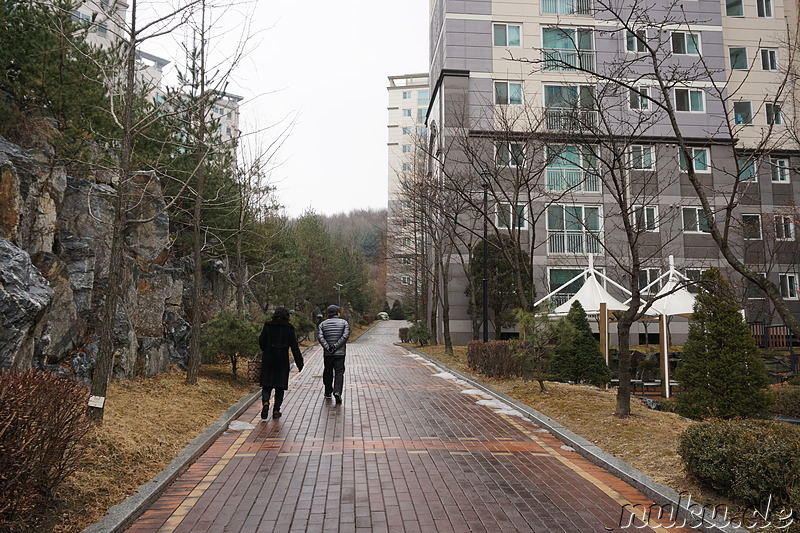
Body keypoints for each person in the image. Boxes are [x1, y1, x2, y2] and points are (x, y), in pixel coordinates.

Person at [258, 307, 304, 419]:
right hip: (282, 360)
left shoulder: (268, 326)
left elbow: (261, 341)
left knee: (267, 384)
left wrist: (267, 349)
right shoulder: (289, 328)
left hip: (268, 358)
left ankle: (265, 402)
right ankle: (276, 410)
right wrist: (299, 362)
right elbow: (294, 346)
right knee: (280, 387)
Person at [317, 304, 350, 404]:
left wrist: (328, 347)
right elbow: (345, 336)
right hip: (340, 353)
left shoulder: (322, 324)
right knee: (339, 372)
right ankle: (337, 391)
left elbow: (320, 337)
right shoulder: (344, 323)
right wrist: (336, 346)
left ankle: (328, 391)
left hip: (328, 353)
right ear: (338, 313)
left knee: (328, 371)